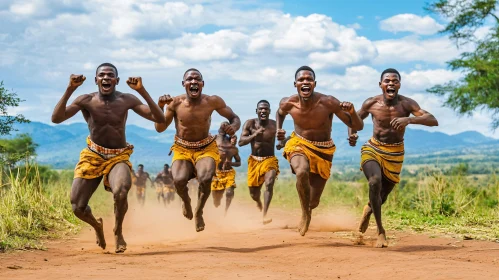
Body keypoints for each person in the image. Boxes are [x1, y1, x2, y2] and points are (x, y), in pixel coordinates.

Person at [51, 63, 165, 253]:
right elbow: (56, 118)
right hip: (93, 155)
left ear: (117, 81)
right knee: (77, 207)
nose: (106, 78)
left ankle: (118, 231)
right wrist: (70, 88)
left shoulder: (127, 99)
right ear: (96, 80)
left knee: (121, 191)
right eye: (101, 75)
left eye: (110, 75)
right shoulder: (85, 100)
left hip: (118, 156)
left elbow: (159, 118)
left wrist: (142, 90)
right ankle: (97, 226)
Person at [348, 68, 438, 248]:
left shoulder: (406, 104)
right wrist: (352, 134)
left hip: (395, 153)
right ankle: (380, 231)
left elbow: (432, 119)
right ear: (380, 84)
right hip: (373, 148)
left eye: (394, 81)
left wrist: (409, 120)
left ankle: (368, 211)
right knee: (374, 181)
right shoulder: (371, 102)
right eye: (387, 81)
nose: (391, 83)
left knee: (382, 196)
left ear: (399, 85)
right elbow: (355, 120)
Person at [276, 66, 364, 236]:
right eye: (301, 79)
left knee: (314, 201)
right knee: (301, 171)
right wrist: (279, 131)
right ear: (295, 84)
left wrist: (352, 112)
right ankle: (305, 215)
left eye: (309, 79)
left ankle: (309, 208)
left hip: (323, 150)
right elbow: (280, 113)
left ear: (314, 84)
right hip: (298, 143)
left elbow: (356, 126)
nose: (305, 82)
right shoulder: (288, 102)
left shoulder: (328, 102)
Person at [154, 68, 241, 232]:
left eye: (197, 79)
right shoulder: (175, 103)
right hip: (182, 148)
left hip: (206, 147)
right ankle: (186, 201)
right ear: (184, 84)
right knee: (179, 180)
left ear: (202, 84)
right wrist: (159, 107)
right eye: (189, 79)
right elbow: (159, 128)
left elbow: (234, 118)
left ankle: (199, 211)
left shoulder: (212, 101)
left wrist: (234, 127)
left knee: (206, 177)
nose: (193, 82)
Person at [239, 100, 279, 224]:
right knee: (254, 194)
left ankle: (264, 215)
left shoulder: (275, 125)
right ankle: (258, 202)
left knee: (270, 183)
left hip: (269, 160)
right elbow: (241, 142)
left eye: (266, 109)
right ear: (256, 111)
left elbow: (281, 139)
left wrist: (282, 143)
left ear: (269, 111)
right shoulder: (250, 124)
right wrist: (255, 134)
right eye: (261, 109)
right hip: (254, 161)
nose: (263, 111)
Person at [211, 124, 241, 215]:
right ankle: (217, 202)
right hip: (216, 173)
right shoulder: (214, 141)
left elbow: (238, 163)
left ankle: (226, 212)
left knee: (229, 192)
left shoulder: (233, 149)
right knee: (216, 200)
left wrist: (231, 163)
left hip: (229, 173)